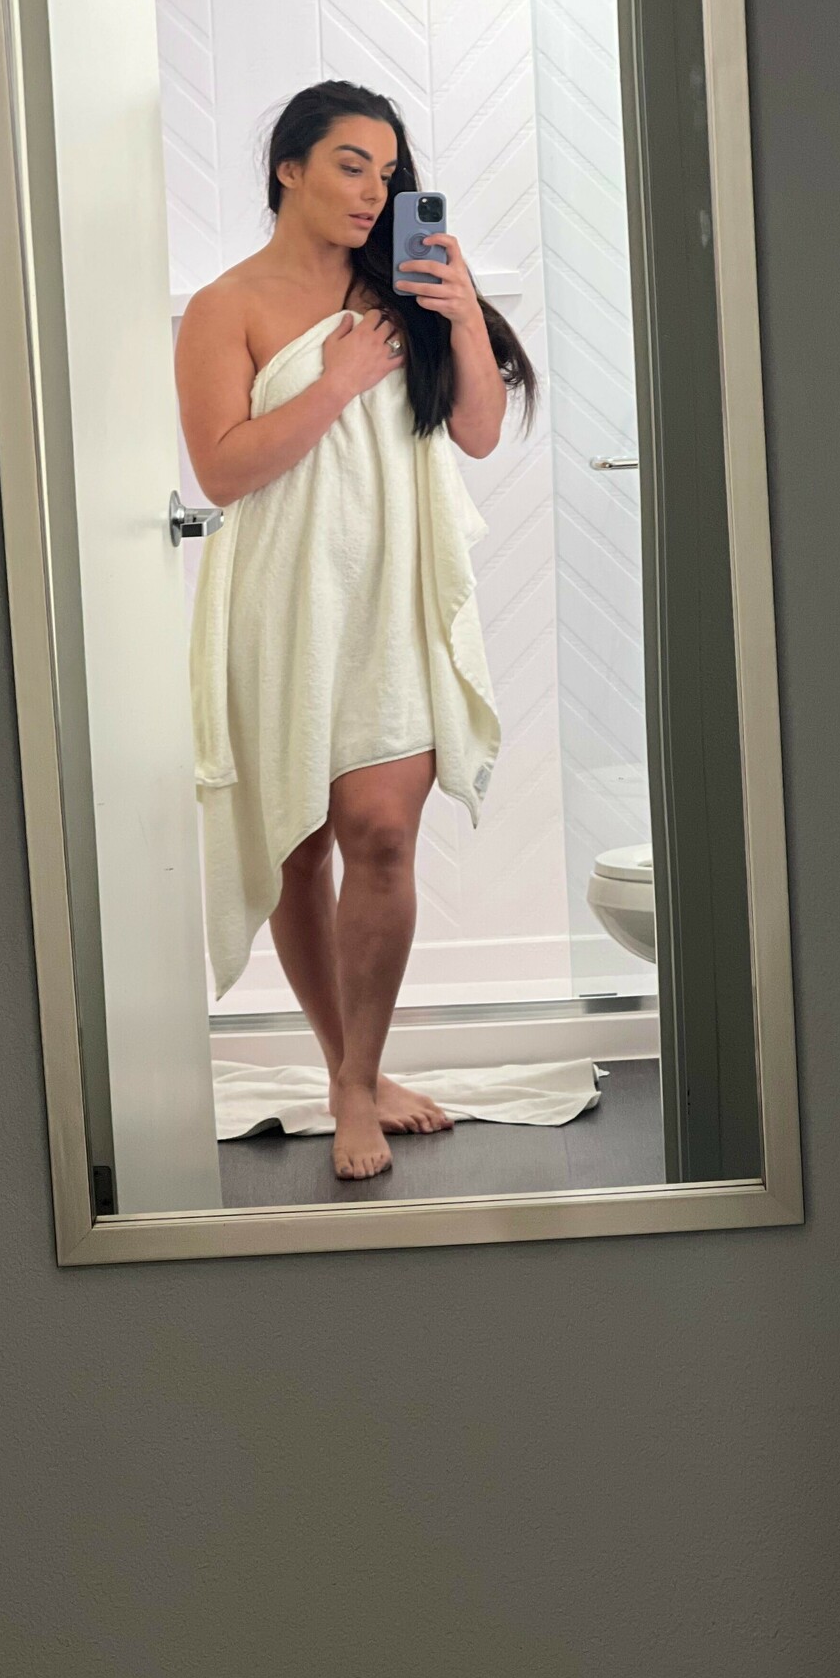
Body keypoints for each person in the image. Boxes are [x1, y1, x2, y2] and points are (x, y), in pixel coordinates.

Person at [176, 80, 538, 1182]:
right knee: (300, 850)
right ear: (287, 166)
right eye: (350, 165)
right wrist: (335, 382)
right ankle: (350, 1068)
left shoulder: (407, 291)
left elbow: (477, 433)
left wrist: (462, 313)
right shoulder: (224, 307)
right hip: (283, 603)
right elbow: (222, 471)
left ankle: (354, 1080)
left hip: (392, 598)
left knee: (380, 835)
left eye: (387, 172)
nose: (374, 190)